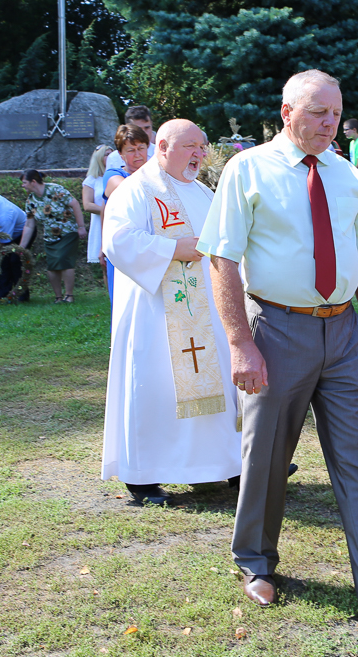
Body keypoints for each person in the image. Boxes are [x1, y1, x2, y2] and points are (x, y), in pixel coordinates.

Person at [198, 69, 358, 620]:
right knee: (265, 456)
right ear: (286, 112)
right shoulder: (248, 169)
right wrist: (241, 344)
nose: (328, 122)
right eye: (316, 112)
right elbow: (221, 258)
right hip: (277, 330)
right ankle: (256, 562)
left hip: (344, 335)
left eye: (334, 112)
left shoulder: (348, 177)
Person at [100, 118, 243, 506]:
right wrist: (173, 249)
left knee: (215, 384)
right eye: (190, 146)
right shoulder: (135, 191)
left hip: (204, 312)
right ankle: (142, 478)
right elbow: (117, 240)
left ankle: (227, 465)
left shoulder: (201, 191)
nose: (199, 153)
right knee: (156, 388)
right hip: (154, 316)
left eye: (202, 146)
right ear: (162, 147)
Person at [19, 170, 87, 304]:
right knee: (52, 266)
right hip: (50, 237)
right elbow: (29, 225)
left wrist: (81, 226)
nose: (23, 186)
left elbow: (74, 204)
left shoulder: (55, 189)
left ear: (33, 182)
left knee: (64, 261)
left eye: (24, 183)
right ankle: (58, 297)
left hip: (67, 232)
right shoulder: (31, 200)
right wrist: (21, 246)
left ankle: (69, 295)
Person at [101, 125, 150, 301]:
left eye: (141, 148)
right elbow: (126, 191)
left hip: (151, 246)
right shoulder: (113, 175)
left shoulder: (156, 173)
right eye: (131, 150)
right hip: (124, 247)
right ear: (120, 154)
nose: (137, 154)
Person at [81, 144, 112, 291]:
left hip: (117, 224)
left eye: (112, 153)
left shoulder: (117, 175)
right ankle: (111, 297)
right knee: (105, 263)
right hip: (100, 224)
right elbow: (87, 205)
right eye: (106, 154)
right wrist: (108, 210)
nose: (110, 157)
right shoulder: (92, 180)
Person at [105, 105, 156, 171]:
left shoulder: (161, 154)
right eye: (138, 129)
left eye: (147, 128)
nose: (144, 133)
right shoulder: (114, 158)